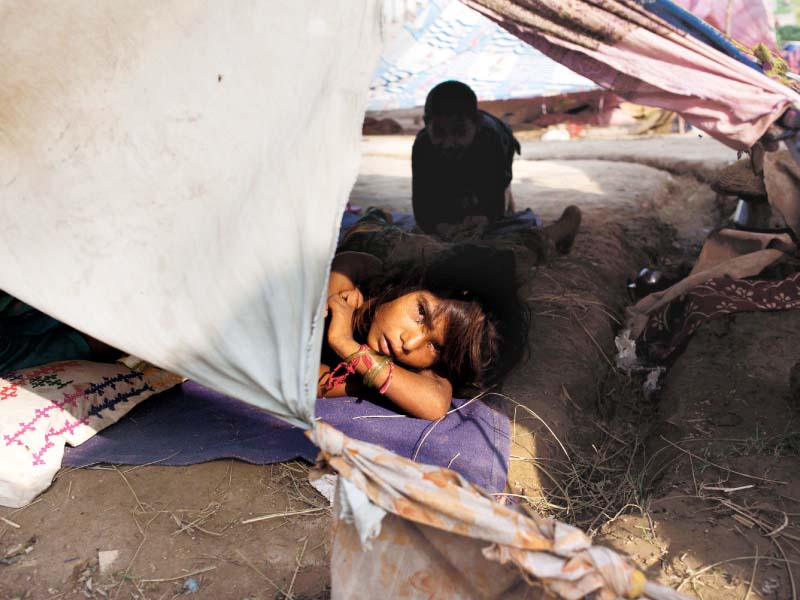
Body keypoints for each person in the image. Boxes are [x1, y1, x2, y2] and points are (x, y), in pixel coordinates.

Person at [318, 244, 528, 421]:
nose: (410, 343)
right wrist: (335, 300)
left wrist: (345, 344)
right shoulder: (378, 282)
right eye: (421, 312)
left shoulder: (414, 371)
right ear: (413, 283)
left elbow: (434, 403)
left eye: (435, 346)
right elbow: (351, 262)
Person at [412, 80, 521, 235]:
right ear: (426, 124)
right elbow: (422, 204)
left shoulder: (492, 140)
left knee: (499, 209)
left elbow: (495, 195)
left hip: (500, 142)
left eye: (459, 132)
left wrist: (486, 217)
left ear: (476, 123)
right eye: (439, 133)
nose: (449, 143)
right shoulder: (422, 145)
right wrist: (441, 226)